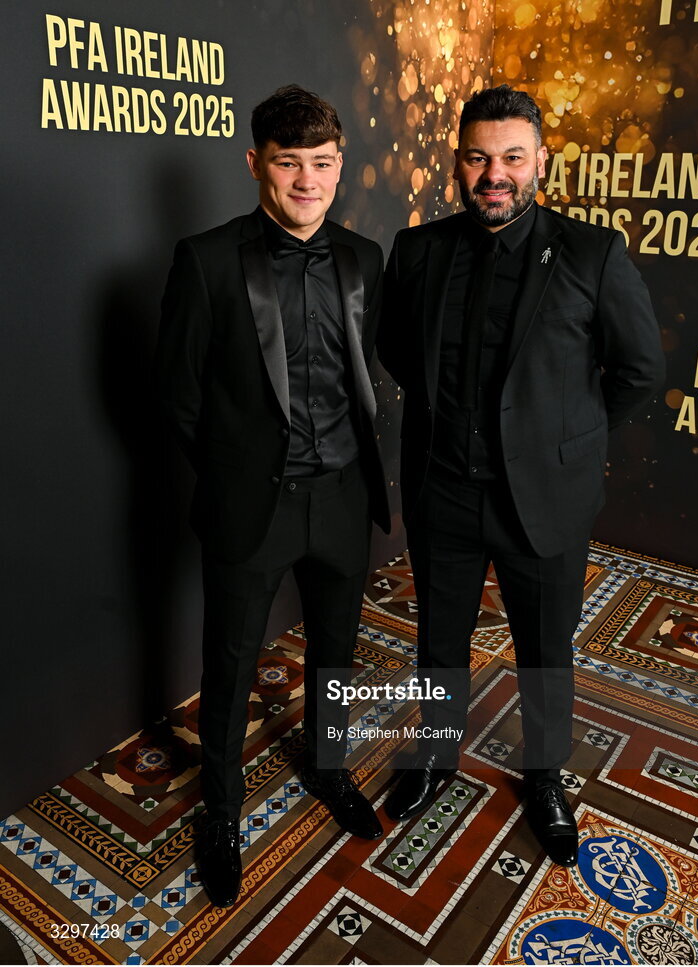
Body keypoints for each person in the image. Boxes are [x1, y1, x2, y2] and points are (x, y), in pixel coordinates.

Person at [377, 85, 664, 866]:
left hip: (545, 498)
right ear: (457, 162)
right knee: (439, 642)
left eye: (510, 157)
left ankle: (544, 778)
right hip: (443, 490)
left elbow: (640, 369)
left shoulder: (590, 252)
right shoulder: (418, 251)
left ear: (541, 161)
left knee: (546, 650)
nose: (493, 174)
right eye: (477, 157)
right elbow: (398, 350)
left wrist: (566, 433)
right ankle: (435, 756)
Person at [155, 85, 390, 907]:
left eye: (322, 165)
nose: (307, 182)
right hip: (253, 506)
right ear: (256, 164)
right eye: (289, 164)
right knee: (229, 667)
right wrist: (234, 473)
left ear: (339, 165)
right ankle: (220, 815)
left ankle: (328, 769)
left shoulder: (365, 258)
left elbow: (367, 375)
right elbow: (179, 398)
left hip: (343, 497)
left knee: (336, 653)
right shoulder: (208, 259)